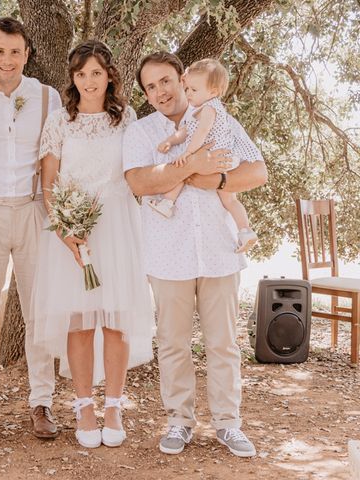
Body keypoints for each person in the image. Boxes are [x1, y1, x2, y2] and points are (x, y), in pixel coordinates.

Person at [122, 51, 268, 458]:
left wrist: (214, 177)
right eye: (150, 86)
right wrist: (191, 166)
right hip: (168, 254)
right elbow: (138, 183)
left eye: (165, 80)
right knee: (172, 343)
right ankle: (179, 422)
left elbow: (258, 171)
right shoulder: (141, 131)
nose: (160, 91)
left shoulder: (220, 119)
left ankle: (228, 424)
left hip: (220, 250)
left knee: (223, 343)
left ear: (181, 77)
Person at [32, 40, 154, 449]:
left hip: (118, 223)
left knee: (116, 319)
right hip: (73, 226)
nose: (89, 81)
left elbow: (137, 173)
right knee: (80, 321)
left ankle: (115, 405)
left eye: (96, 73)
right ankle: (84, 405)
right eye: (81, 74)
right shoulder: (58, 121)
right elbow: (48, 182)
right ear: (72, 78)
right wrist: (64, 227)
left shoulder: (128, 118)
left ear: (109, 76)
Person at [0, 17, 62, 442]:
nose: (7, 59)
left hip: (35, 209)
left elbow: (60, 155)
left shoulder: (47, 97)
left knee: (41, 311)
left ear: (27, 54)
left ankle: (42, 403)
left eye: (15, 51)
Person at [150, 58, 258, 253]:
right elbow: (184, 131)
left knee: (183, 169)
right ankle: (246, 231)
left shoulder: (209, 109)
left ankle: (167, 203)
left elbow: (200, 133)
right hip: (223, 158)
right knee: (230, 200)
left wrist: (188, 153)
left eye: (194, 90)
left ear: (213, 92)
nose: (188, 93)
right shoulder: (199, 109)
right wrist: (170, 141)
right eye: (187, 88)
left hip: (214, 155)